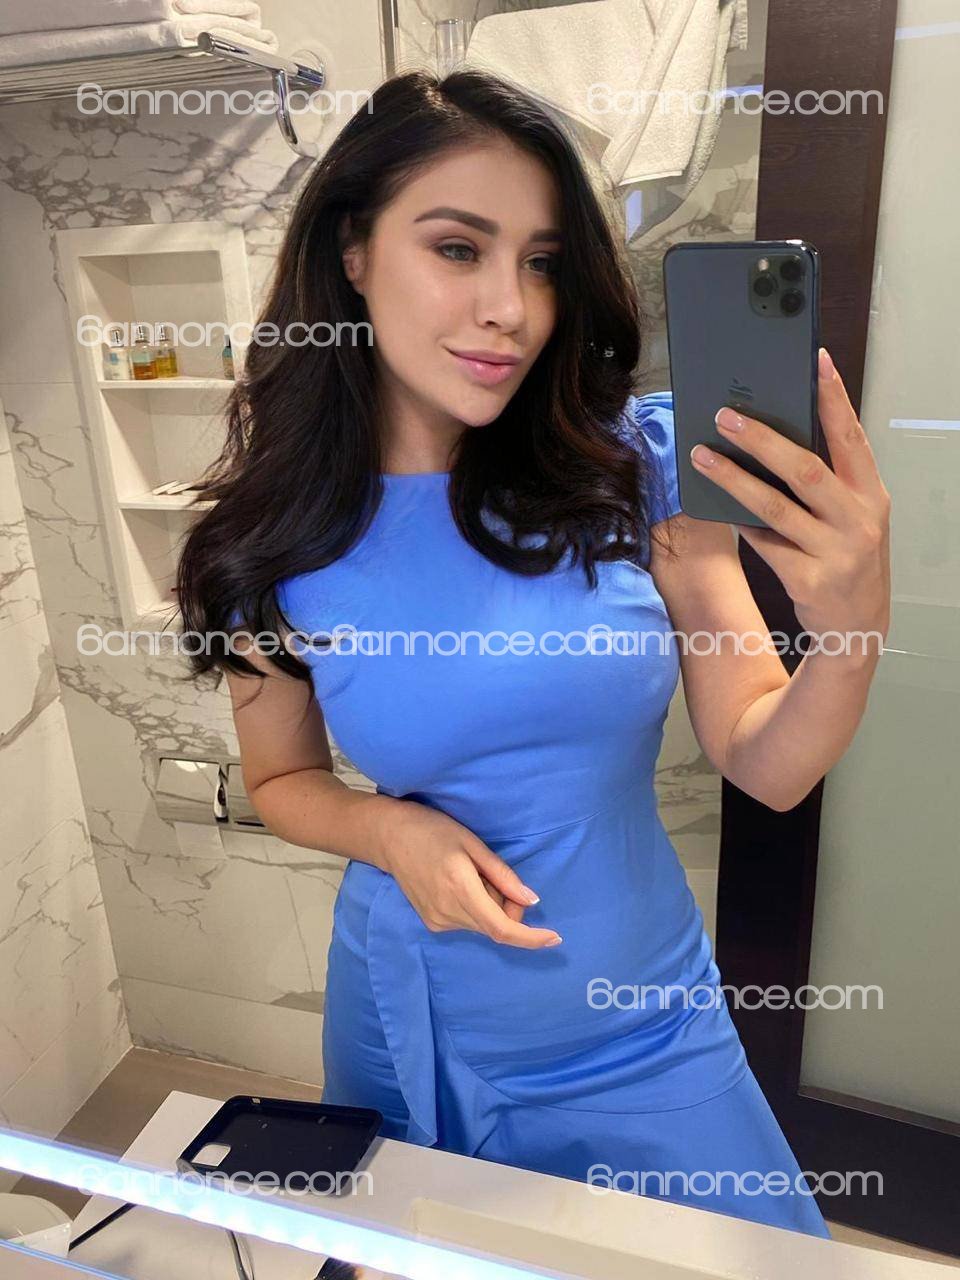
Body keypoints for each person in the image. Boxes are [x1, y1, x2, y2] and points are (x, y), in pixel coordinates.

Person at [177, 69, 891, 1241]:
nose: (511, 306)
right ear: (352, 252)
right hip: (418, 1017)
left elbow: (766, 760)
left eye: (544, 261)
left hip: (647, 1021)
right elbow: (283, 779)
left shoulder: (635, 468)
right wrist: (392, 830)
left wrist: (852, 628)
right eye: (458, 248)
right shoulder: (276, 535)